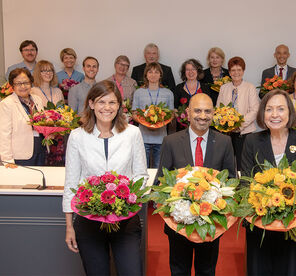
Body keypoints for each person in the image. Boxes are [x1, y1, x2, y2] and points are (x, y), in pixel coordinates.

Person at [63, 80, 148, 276]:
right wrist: (69, 226)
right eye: (101, 102)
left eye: (112, 103)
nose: (107, 108)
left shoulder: (132, 133)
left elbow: (141, 175)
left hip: (126, 220)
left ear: (119, 105)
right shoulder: (77, 136)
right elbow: (71, 183)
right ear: (91, 104)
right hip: (88, 220)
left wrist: (129, 198)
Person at [156, 93, 236, 276]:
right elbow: (161, 181)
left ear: (213, 113)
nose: (202, 115)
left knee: (207, 270)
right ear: (188, 112)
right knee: (179, 270)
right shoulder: (171, 141)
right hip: (178, 222)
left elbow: (231, 180)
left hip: (211, 224)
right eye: (198, 110)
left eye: (207, 111)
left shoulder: (225, 142)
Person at [241, 89, 296, 276]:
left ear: (290, 113)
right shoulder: (251, 141)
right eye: (269, 109)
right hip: (259, 226)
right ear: (262, 114)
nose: (274, 115)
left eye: (281, 109)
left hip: (294, 226)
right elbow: (244, 184)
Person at [217, 56, 259, 170]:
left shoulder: (250, 87)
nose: (236, 73)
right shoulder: (224, 88)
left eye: (239, 70)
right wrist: (225, 125)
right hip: (227, 134)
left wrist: (238, 124)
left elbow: (255, 110)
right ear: (229, 72)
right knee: (226, 164)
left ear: (243, 71)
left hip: (245, 133)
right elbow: (218, 109)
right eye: (233, 70)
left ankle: (242, 186)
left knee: (243, 165)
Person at [0, 68, 45, 166]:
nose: (23, 86)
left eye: (26, 82)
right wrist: (7, 160)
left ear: (31, 83)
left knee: (38, 181)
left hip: (40, 149)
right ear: (12, 86)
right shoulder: (6, 104)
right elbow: (4, 135)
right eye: (18, 83)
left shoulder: (37, 100)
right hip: (20, 155)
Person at [132, 62, 174, 168]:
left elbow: (172, 114)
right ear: (146, 75)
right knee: (141, 169)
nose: (153, 74)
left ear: (160, 75)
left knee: (158, 169)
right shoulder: (139, 92)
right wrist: (146, 122)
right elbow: (134, 114)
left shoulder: (168, 93)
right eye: (150, 72)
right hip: (143, 137)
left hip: (161, 138)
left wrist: (159, 122)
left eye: (156, 72)